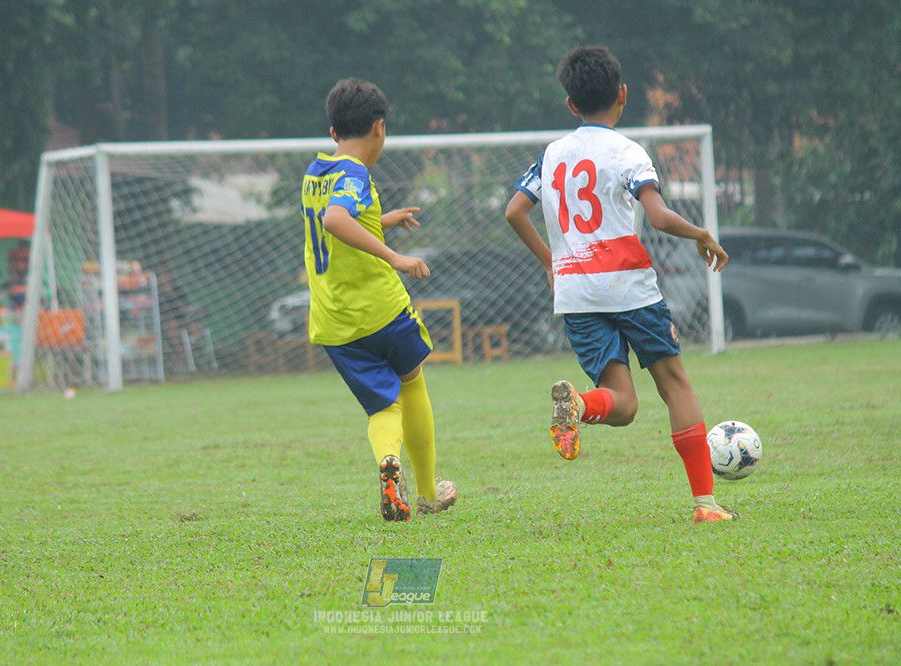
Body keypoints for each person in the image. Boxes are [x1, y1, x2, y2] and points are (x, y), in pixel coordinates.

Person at [504, 46, 735, 523]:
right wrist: (701, 233)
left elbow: (514, 211)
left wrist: (553, 262)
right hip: (629, 286)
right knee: (674, 384)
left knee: (624, 405)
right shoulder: (627, 152)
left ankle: (582, 405)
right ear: (623, 95)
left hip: (576, 293)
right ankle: (705, 506)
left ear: (571, 104)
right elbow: (657, 215)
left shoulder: (552, 155)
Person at [302, 77, 456, 521]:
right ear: (379, 127)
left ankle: (389, 464)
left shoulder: (318, 172)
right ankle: (427, 492)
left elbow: (333, 220)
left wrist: (380, 219)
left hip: (334, 321)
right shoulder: (355, 173)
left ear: (333, 133)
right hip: (382, 309)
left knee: (380, 406)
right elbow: (335, 220)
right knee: (412, 383)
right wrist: (395, 257)